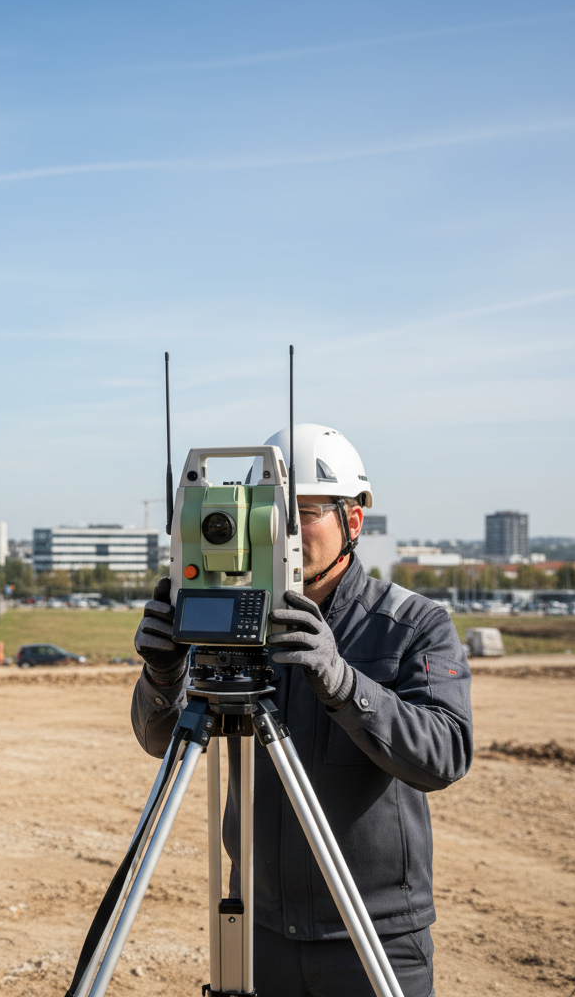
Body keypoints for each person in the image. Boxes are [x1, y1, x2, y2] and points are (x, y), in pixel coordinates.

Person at [132, 424, 472, 997]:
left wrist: (342, 683)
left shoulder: (414, 625)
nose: (282, 531)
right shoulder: (239, 623)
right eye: (270, 511)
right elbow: (158, 738)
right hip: (258, 933)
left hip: (373, 938)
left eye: (303, 511)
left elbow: (444, 755)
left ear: (353, 521)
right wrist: (163, 674)